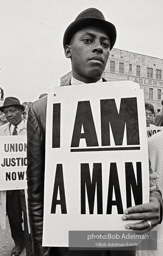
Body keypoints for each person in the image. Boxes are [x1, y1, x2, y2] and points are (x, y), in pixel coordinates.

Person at [27, 8, 163, 256]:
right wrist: (42, 252)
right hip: (70, 246)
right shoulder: (43, 110)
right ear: (68, 49)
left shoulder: (127, 101)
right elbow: (37, 194)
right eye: (88, 40)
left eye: (105, 43)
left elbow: (144, 173)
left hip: (121, 243)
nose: (99, 48)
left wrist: (158, 202)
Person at [0, 97, 32, 256]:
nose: (9, 115)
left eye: (12, 110)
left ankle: (30, 243)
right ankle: (18, 243)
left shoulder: (31, 127)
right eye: (6, 112)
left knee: (29, 215)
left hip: (27, 181)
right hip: (10, 182)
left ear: (21, 111)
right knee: (13, 215)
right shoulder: (2, 130)